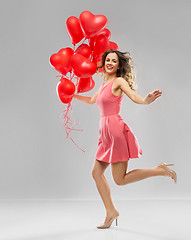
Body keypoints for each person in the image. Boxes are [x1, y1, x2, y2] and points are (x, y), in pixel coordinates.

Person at [73, 49, 177, 229]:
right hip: (105, 132)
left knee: (119, 180)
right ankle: (111, 211)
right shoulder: (104, 85)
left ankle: (159, 170)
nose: (110, 63)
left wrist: (146, 100)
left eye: (114, 61)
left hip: (115, 131)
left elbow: (134, 96)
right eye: (107, 60)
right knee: (96, 173)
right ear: (104, 63)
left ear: (119, 65)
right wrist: (71, 95)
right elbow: (92, 101)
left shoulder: (119, 81)